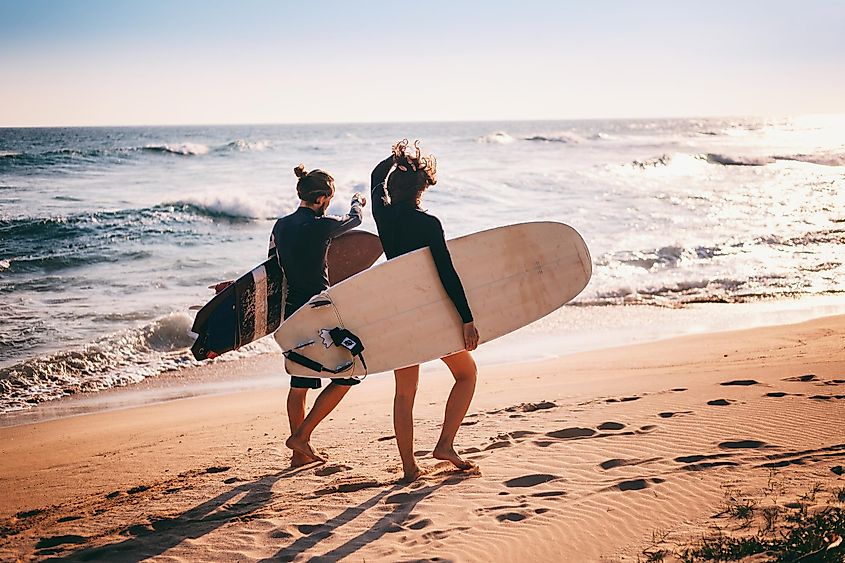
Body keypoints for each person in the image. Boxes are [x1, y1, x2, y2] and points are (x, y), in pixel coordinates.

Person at [370, 140, 480, 482]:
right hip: (433, 314)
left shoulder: (383, 217)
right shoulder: (429, 224)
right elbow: (447, 273)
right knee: (466, 375)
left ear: (392, 188)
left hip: (401, 315)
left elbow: (375, 177)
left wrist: (395, 158)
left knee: (405, 392)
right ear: (422, 190)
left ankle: (409, 468)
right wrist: (466, 319)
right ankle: (445, 444)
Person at [272, 164, 366, 466]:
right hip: (320, 312)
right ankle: (302, 437)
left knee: (299, 385)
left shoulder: (281, 225)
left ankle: (299, 455)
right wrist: (356, 201)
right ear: (324, 198)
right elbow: (355, 220)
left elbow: (272, 269)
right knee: (350, 372)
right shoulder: (323, 225)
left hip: (292, 314)